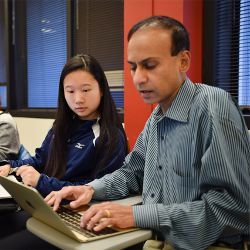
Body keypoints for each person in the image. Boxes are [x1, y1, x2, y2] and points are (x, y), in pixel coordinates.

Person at [45, 16, 250, 250]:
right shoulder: (157, 117)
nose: (138, 78)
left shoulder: (213, 106)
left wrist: (136, 215)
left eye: (149, 65)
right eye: (133, 67)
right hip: (160, 237)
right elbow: (132, 172)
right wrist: (90, 189)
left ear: (183, 61)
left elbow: (231, 208)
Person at [0, 54, 128, 197]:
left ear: (102, 89)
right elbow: (40, 160)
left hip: (80, 211)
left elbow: (96, 190)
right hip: (47, 201)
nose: (78, 99)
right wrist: (10, 166)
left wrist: (41, 182)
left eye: (86, 90)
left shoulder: (111, 136)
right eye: (70, 91)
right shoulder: (61, 126)